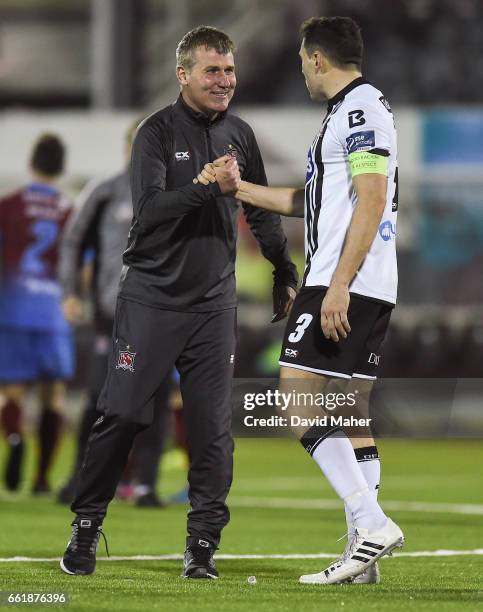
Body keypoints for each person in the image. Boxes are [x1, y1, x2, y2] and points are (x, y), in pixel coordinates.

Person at [59, 26, 298, 578]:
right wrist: (206, 187)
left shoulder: (241, 133)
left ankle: (202, 545)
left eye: (230, 70)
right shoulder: (156, 133)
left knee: (212, 430)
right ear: (183, 73)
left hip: (214, 307)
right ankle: (87, 526)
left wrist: (282, 268)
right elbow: (149, 213)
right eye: (213, 71)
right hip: (150, 301)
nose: (225, 81)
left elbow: (258, 208)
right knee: (120, 414)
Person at [196, 16, 403, 585]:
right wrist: (236, 188)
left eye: (301, 62)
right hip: (365, 279)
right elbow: (306, 201)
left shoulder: (360, 110)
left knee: (295, 393)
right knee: (349, 409)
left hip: (346, 279)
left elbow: (371, 198)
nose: (302, 72)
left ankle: (370, 521)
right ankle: (365, 550)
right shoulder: (347, 114)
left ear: (316, 60)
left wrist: (337, 284)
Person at [57, 123, 171, 508]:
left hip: (162, 312)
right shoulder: (105, 191)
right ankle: (80, 478)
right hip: (114, 312)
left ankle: (145, 485)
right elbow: (73, 240)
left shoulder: (176, 192)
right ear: (130, 147)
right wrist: (70, 291)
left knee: (157, 397)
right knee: (99, 398)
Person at [0, 134, 73, 494]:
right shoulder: (67, 210)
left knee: (11, 391)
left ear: (32, 162)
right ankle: (42, 478)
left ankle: (14, 438)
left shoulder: (9, 205)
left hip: (12, 308)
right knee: (53, 394)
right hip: (53, 312)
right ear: (61, 168)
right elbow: (80, 264)